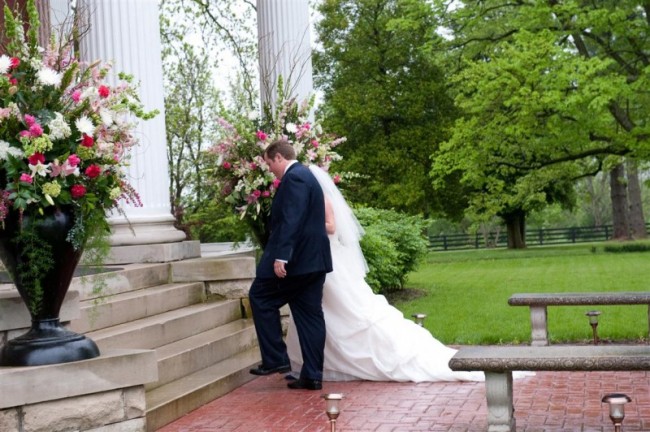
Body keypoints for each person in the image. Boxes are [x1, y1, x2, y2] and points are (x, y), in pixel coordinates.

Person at [286, 166, 532, 382]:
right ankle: (317, 362)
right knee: (321, 311)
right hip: (316, 260)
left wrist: (309, 224)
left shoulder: (324, 199)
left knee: (346, 308)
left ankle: (340, 360)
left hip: (330, 259)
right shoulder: (307, 200)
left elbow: (332, 226)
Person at [248, 140, 333, 391]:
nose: (269, 169)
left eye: (268, 163)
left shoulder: (295, 178)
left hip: (297, 262)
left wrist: (281, 256)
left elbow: (291, 219)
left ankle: (275, 359)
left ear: (278, 158)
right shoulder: (306, 175)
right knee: (310, 317)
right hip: (313, 262)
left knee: (260, 296)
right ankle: (312, 375)